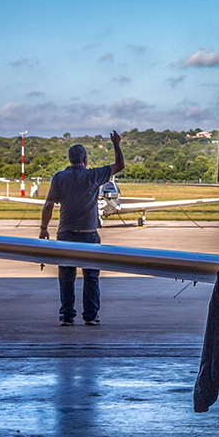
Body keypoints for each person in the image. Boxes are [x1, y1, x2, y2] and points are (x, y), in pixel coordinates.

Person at [40, 132, 125, 326]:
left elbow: (48, 205)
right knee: (91, 277)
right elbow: (119, 165)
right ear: (85, 160)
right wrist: (116, 144)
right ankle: (91, 315)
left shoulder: (59, 177)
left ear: (70, 159)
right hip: (89, 234)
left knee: (66, 278)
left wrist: (43, 228)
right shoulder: (94, 175)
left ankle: (67, 315)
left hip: (66, 234)